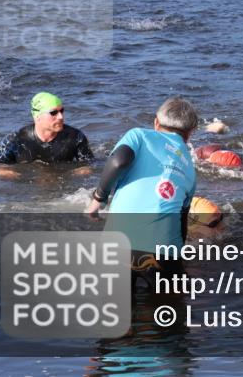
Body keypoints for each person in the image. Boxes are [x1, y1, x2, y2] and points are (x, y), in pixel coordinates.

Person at [85, 97, 198, 290]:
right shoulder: (191, 171)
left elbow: (118, 162)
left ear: (156, 122)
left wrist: (98, 199)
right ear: (189, 134)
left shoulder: (138, 135)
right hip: (162, 253)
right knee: (170, 311)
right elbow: (181, 224)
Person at [0, 92, 94, 179]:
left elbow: (90, 162)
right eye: (53, 113)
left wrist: (84, 170)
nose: (60, 117)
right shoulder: (16, 140)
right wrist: (2, 171)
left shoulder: (75, 137)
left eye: (61, 111)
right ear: (37, 116)